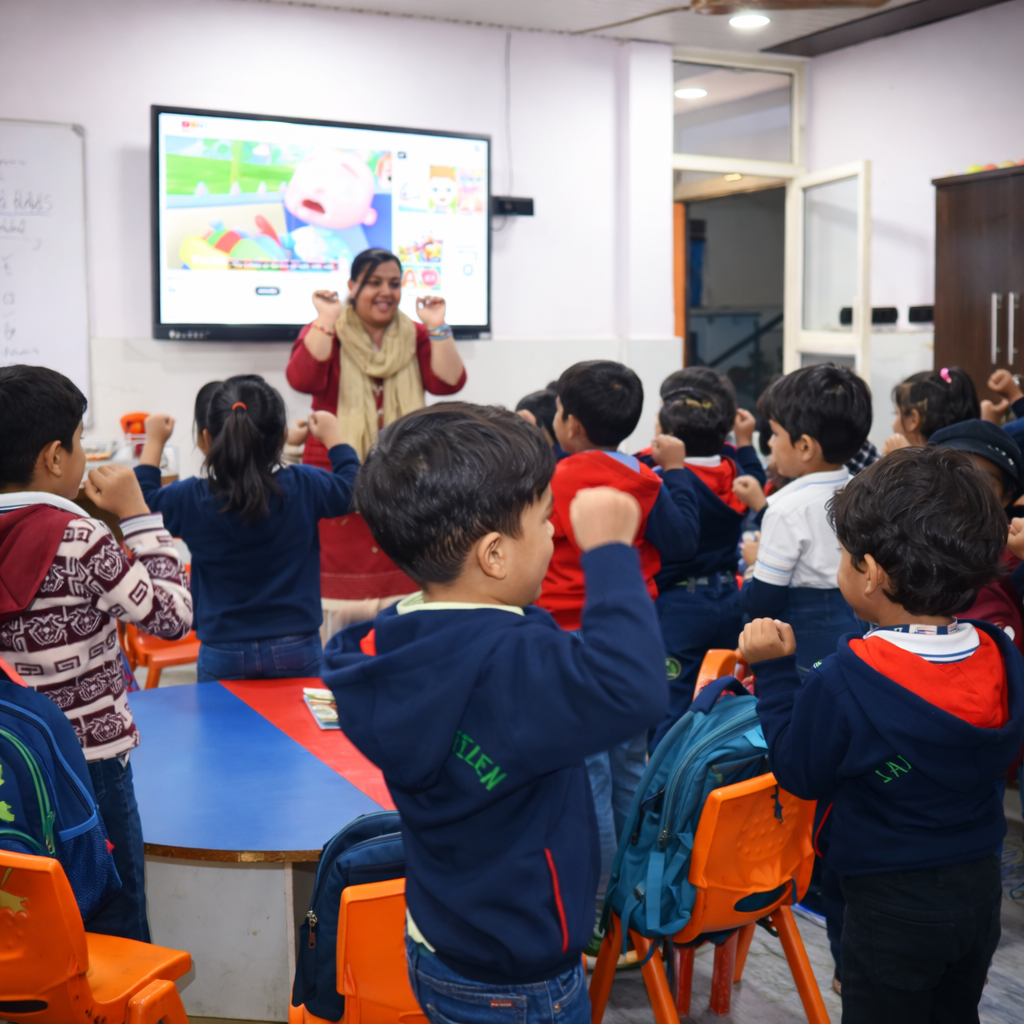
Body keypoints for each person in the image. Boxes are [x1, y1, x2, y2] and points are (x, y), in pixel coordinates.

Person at [320, 404, 668, 1023]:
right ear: (495, 556)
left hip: (435, 940)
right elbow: (634, 691)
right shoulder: (519, 664)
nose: (556, 533)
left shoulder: (388, 647)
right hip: (522, 975)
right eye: (545, 519)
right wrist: (611, 551)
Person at [743, 446, 1024, 1024]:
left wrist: (773, 673)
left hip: (888, 900)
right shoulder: (1000, 655)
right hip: (979, 888)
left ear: (870, 574)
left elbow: (800, 771)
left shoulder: (847, 680)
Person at [0, 364, 193, 942]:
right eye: (81, 442)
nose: (85, 455)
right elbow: (171, 617)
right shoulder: (79, 538)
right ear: (54, 457)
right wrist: (137, 513)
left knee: (29, 911)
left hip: (11, 758)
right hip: (91, 760)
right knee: (115, 912)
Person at [537, 360, 700, 912]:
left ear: (571, 423)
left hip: (571, 642)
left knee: (590, 779)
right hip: (633, 635)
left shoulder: (555, 480)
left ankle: (595, 906)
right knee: (630, 765)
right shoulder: (645, 478)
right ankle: (629, 896)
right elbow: (681, 542)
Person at [135, 376, 358, 681]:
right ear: (282, 437)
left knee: (221, 716)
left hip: (222, 649)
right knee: (294, 716)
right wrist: (334, 438)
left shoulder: (189, 499)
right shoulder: (306, 485)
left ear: (205, 439)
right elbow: (354, 488)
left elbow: (141, 506)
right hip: (297, 646)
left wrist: (154, 441)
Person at [286, 248, 466, 620]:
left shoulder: (414, 334)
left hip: (406, 473)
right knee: (337, 591)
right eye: (374, 283)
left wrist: (437, 324)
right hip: (337, 470)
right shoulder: (330, 329)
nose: (386, 292)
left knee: (403, 569)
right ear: (352, 287)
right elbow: (302, 378)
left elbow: (449, 381)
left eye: (394, 284)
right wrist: (326, 318)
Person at [648, 379, 766, 750]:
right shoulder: (735, 471)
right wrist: (744, 442)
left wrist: (670, 463)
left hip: (680, 605)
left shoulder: (664, 478)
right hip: (729, 597)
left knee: (671, 705)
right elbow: (757, 479)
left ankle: (664, 781)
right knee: (722, 698)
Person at [744, 363, 872, 677]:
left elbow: (762, 603)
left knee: (808, 699)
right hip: (863, 626)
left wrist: (752, 566)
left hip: (807, 633)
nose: (770, 443)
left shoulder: (785, 509)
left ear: (804, 446)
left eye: (775, 434)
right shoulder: (866, 491)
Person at [928, 419, 1024, 652]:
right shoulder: (901, 545)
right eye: (953, 476)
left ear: (1005, 498)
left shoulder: (1016, 558)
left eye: (984, 482)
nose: (966, 492)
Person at [883, 365, 979, 454]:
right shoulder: (971, 457)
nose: (893, 424)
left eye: (897, 413)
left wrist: (901, 459)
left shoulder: (910, 464)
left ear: (913, 420)